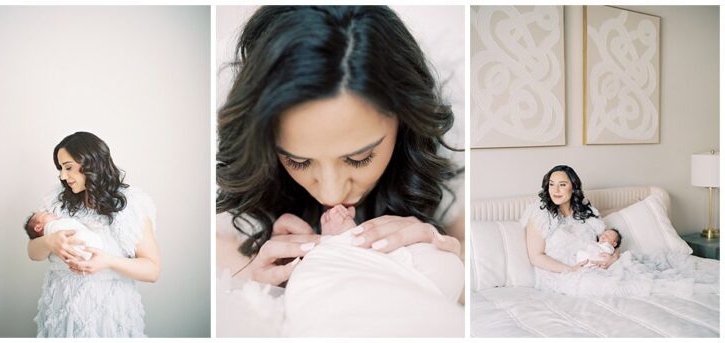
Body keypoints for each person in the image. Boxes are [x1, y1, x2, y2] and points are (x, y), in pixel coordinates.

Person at [216, 5, 464, 287]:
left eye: (359, 158)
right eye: (298, 161)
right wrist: (257, 275)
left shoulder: (448, 141)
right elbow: (216, 250)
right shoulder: (236, 157)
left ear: (404, 120)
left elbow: (470, 255)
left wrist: (445, 263)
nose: (331, 193)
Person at [26, 132, 160, 337]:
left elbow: (152, 270)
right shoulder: (55, 202)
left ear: (91, 163)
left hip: (110, 314)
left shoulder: (131, 204)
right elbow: (33, 252)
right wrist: (50, 242)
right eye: (61, 169)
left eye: (68, 167)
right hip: (61, 311)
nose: (63, 176)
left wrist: (108, 261)